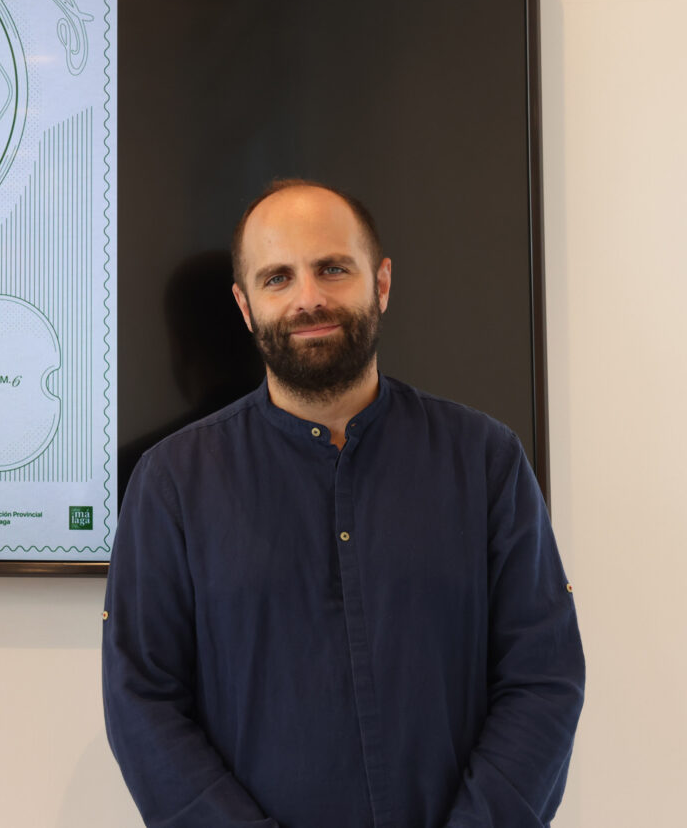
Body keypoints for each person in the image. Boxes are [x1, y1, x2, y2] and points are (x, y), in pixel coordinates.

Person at [102, 180, 583, 827]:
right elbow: (144, 701)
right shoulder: (171, 483)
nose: (309, 298)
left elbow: (543, 677)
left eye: (332, 268)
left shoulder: (486, 460)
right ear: (246, 307)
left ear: (380, 283)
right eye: (278, 278)